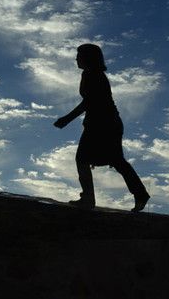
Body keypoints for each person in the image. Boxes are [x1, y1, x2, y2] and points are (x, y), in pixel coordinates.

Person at [54, 44, 150, 212]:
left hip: (104, 124)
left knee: (87, 158)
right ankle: (138, 194)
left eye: (79, 55)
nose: (76, 59)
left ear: (88, 58)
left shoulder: (94, 75)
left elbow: (89, 102)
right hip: (102, 123)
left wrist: (67, 118)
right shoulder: (90, 74)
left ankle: (89, 198)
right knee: (114, 160)